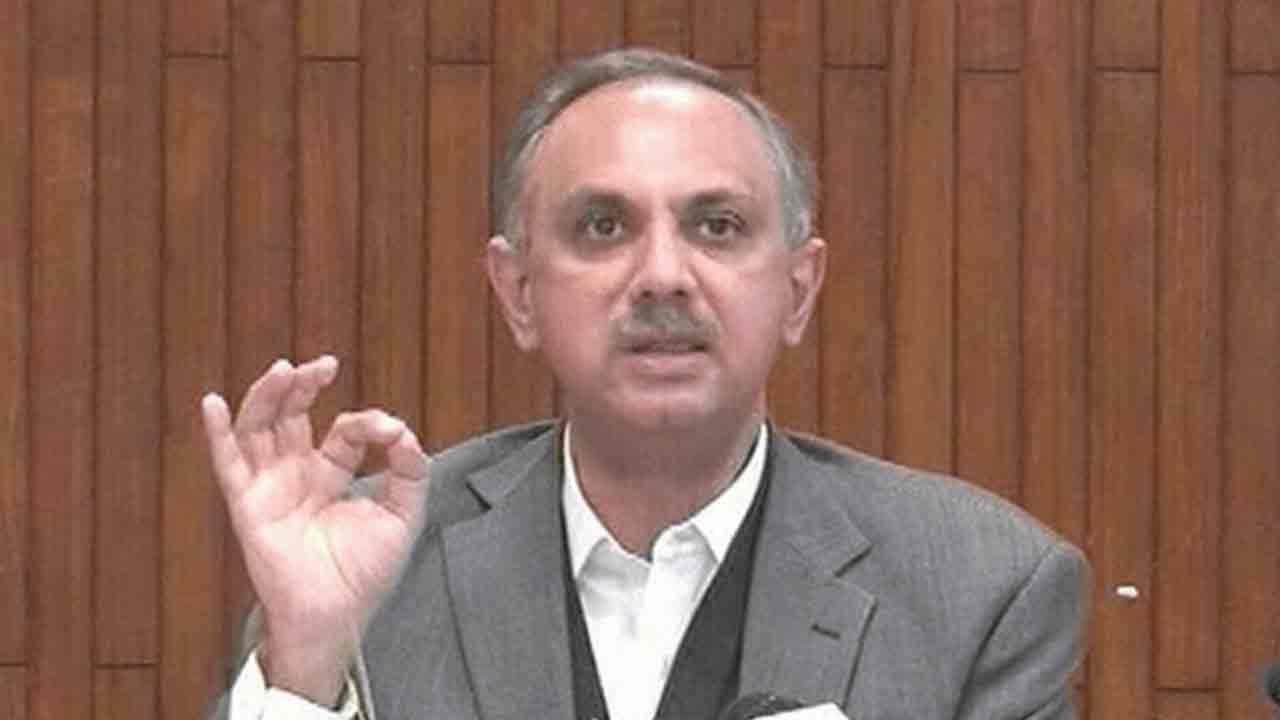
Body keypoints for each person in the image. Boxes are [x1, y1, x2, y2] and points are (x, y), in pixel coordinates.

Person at [204, 48, 1088, 720]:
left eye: (718, 226)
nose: (663, 275)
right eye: (603, 226)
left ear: (797, 290)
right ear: (519, 293)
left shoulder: (981, 590)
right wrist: (306, 661)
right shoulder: (367, 570)